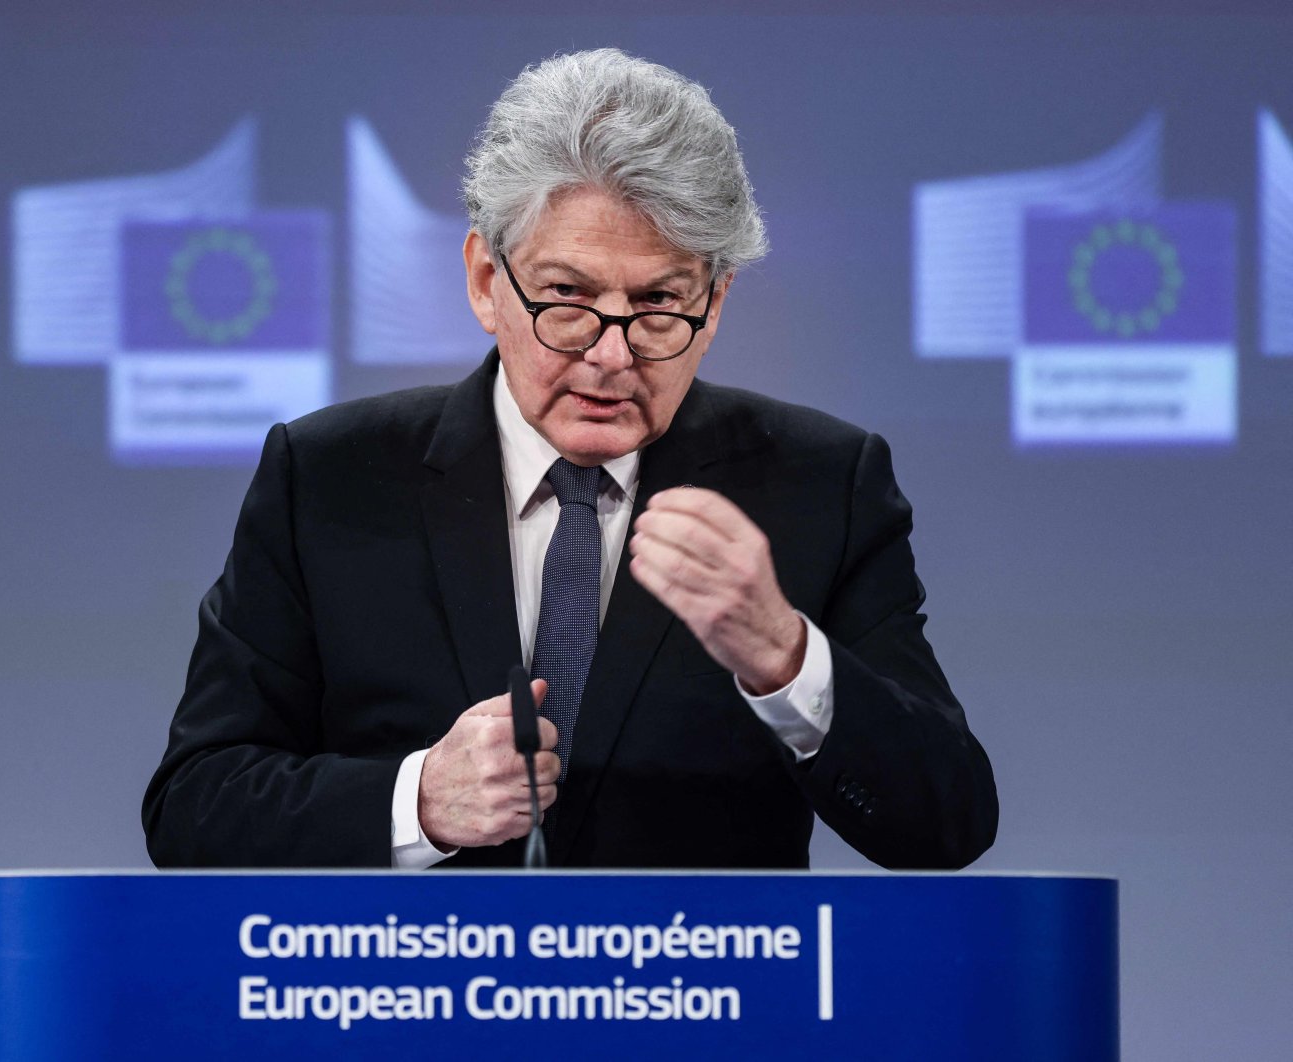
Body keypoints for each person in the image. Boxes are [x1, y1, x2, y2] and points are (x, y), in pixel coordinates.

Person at [142, 48, 997, 870]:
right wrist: (419, 802)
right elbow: (194, 807)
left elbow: (948, 823)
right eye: (568, 297)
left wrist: (786, 659)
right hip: (412, 1005)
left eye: (660, 304)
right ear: (486, 280)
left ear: (718, 298)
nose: (611, 356)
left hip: (700, 1008)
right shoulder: (327, 478)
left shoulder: (821, 486)